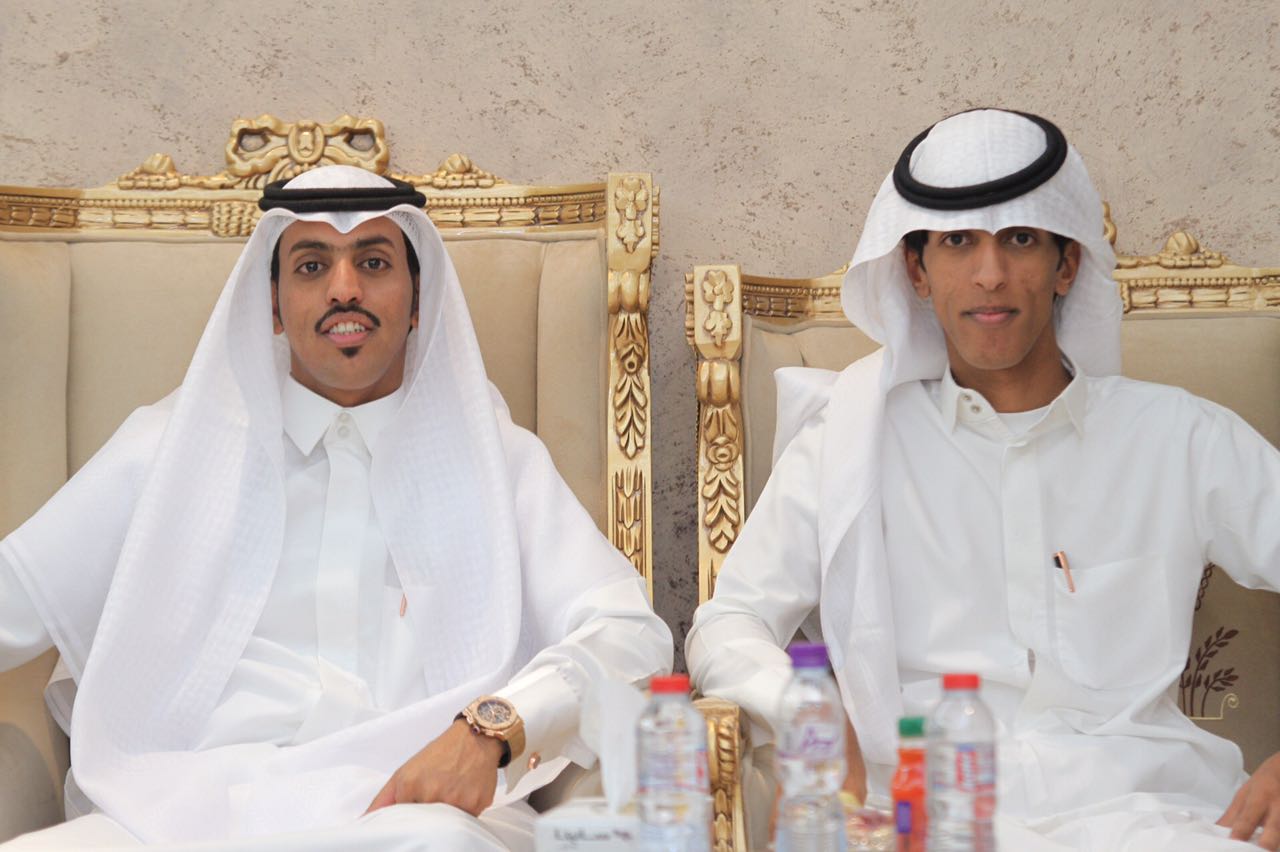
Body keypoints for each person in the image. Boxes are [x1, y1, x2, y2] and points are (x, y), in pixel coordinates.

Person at [0, 165, 673, 850]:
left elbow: (629, 634)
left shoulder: (499, 463)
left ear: (418, 299)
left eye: (373, 262)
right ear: (271, 305)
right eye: (312, 265)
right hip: (185, 812)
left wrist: (491, 731)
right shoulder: (171, 449)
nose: (344, 289)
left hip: (406, 816)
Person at [686, 109, 1280, 850]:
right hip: (924, 819)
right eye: (958, 241)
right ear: (916, 270)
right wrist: (806, 710)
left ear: (1067, 265)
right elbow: (727, 623)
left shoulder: (1180, 437)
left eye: (1021, 239)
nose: (990, 274)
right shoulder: (848, 442)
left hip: (1151, 817)